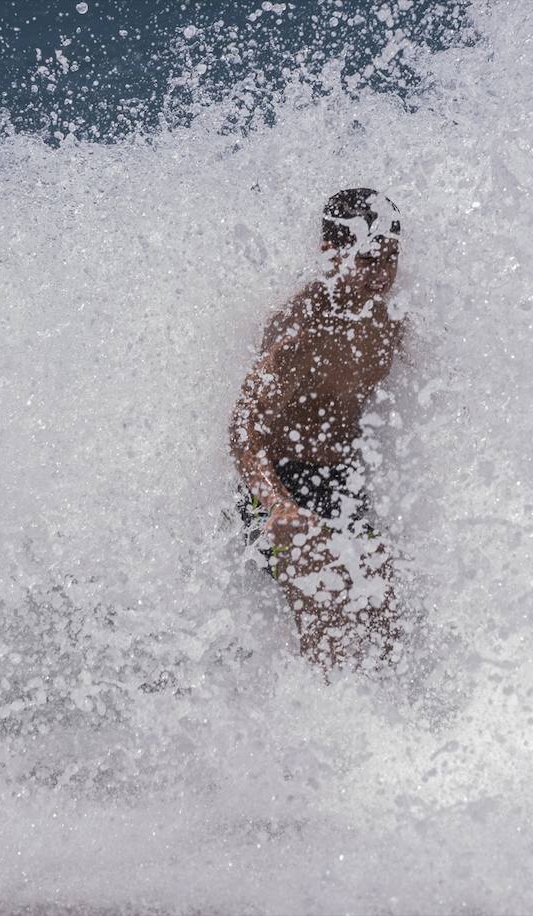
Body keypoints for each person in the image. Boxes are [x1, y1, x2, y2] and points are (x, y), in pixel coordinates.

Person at [230, 188, 406, 670]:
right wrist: (278, 504)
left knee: (382, 600)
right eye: (368, 260)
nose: (381, 275)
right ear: (331, 253)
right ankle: (315, 726)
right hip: (280, 484)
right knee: (323, 611)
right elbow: (244, 431)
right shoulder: (297, 328)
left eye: (389, 259)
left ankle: (390, 728)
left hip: (343, 483)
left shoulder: (390, 324)